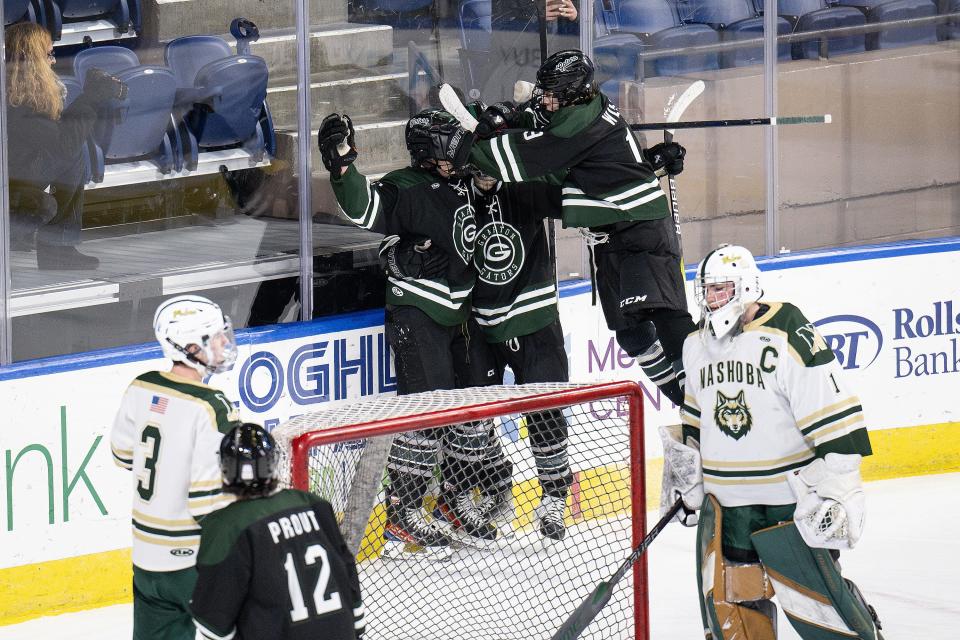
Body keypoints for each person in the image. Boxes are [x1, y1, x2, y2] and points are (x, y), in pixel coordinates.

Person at [661, 243, 884, 640]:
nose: (713, 300)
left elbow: (831, 408)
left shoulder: (786, 331)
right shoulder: (695, 346)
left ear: (746, 287)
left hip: (787, 503)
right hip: (728, 510)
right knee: (733, 613)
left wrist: (838, 486)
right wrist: (685, 478)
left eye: (721, 289)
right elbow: (694, 422)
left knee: (821, 609)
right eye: (708, 290)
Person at [462, 49, 695, 407]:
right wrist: (509, 112)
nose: (545, 98)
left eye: (552, 91)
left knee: (666, 317)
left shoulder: (576, 126)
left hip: (639, 233)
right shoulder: (581, 109)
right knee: (631, 335)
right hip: (610, 241)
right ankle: (684, 401)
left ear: (573, 93)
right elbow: (573, 143)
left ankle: (706, 396)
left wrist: (466, 144)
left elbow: (519, 160)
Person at [316, 109, 494, 558]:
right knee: (425, 416)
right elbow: (364, 206)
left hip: (461, 310)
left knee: (467, 413)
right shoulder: (405, 186)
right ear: (430, 154)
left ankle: (453, 500)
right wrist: (341, 168)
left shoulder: (467, 180)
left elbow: (502, 165)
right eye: (450, 147)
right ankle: (403, 515)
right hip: (419, 311)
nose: (460, 153)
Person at [404, 166, 573, 541]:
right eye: (477, 168)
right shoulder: (455, 197)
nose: (484, 174)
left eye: (490, 167)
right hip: (478, 322)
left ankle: (554, 498)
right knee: (472, 415)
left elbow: (569, 193)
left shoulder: (527, 184)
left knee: (545, 408)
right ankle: (464, 495)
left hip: (534, 317)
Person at [110, 294, 241, 640]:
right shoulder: (212, 406)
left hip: (146, 559)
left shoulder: (141, 386)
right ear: (191, 347)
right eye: (216, 336)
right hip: (193, 562)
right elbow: (207, 500)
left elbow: (123, 454)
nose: (226, 342)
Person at [190, 423, 366, 640]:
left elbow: (213, 625)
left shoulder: (225, 527)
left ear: (225, 468)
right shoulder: (316, 505)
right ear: (273, 462)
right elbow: (348, 574)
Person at [5, 22, 126, 269]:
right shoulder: (12, 101)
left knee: (75, 155)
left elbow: (62, 141)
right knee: (43, 204)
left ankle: (58, 249)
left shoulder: (26, 95)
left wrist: (90, 99)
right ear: (33, 59)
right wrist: (90, 98)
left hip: (16, 175)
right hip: (7, 185)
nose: (53, 61)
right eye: (48, 54)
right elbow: (62, 143)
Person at [479, 0, 579, 102]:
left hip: (561, 77)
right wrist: (535, 16)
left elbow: (587, 46)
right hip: (516, 77)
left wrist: (575, 19)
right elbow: (501, 39)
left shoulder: (579, 4)